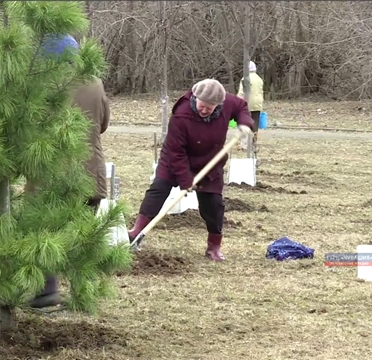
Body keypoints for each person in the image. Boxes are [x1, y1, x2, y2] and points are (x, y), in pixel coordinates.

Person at [128, 79, 254, 261]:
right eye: (202, 106)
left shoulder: (228, 102)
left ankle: (214, 246)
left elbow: (241, 106)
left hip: (210, 161)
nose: (204, 110)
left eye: (209, 108)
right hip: (175, 160)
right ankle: (136, 232)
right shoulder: (181, 115)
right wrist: (185, 180)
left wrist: (244, 122)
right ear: (195, 98)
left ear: (219, 105)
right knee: (157, 191)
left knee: (213, 205)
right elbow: (175, 152)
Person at [28, 34, 111, 308]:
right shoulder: (95, 81)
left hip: (50, 174)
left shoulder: (41, 82)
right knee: (83, 235)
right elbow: (103, 123)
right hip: (89, 172)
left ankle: (47, 291)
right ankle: (83, 294)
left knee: (45, 232)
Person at [237, 61, 264, 152]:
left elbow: (241, 92)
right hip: (258, 103)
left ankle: (245, 144)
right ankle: (254, 142)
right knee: (255, 122)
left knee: (245, 122)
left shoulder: (245, 78)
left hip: (247, 102)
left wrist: (238, 102)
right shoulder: (259, 79)